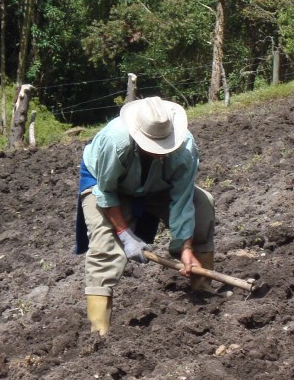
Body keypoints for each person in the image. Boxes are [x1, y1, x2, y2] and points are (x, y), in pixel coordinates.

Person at [75, 96, 216, 335]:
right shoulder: (115, 141)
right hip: (109, 186)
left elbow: (182, 199)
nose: (160, 153)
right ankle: (99, 331)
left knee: (203, 205)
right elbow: (106, 192)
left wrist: (186, 247)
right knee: (104, 244)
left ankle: (202, 287)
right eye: (154, 147)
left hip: (156, 185)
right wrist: (125, 235)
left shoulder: (186, 148)